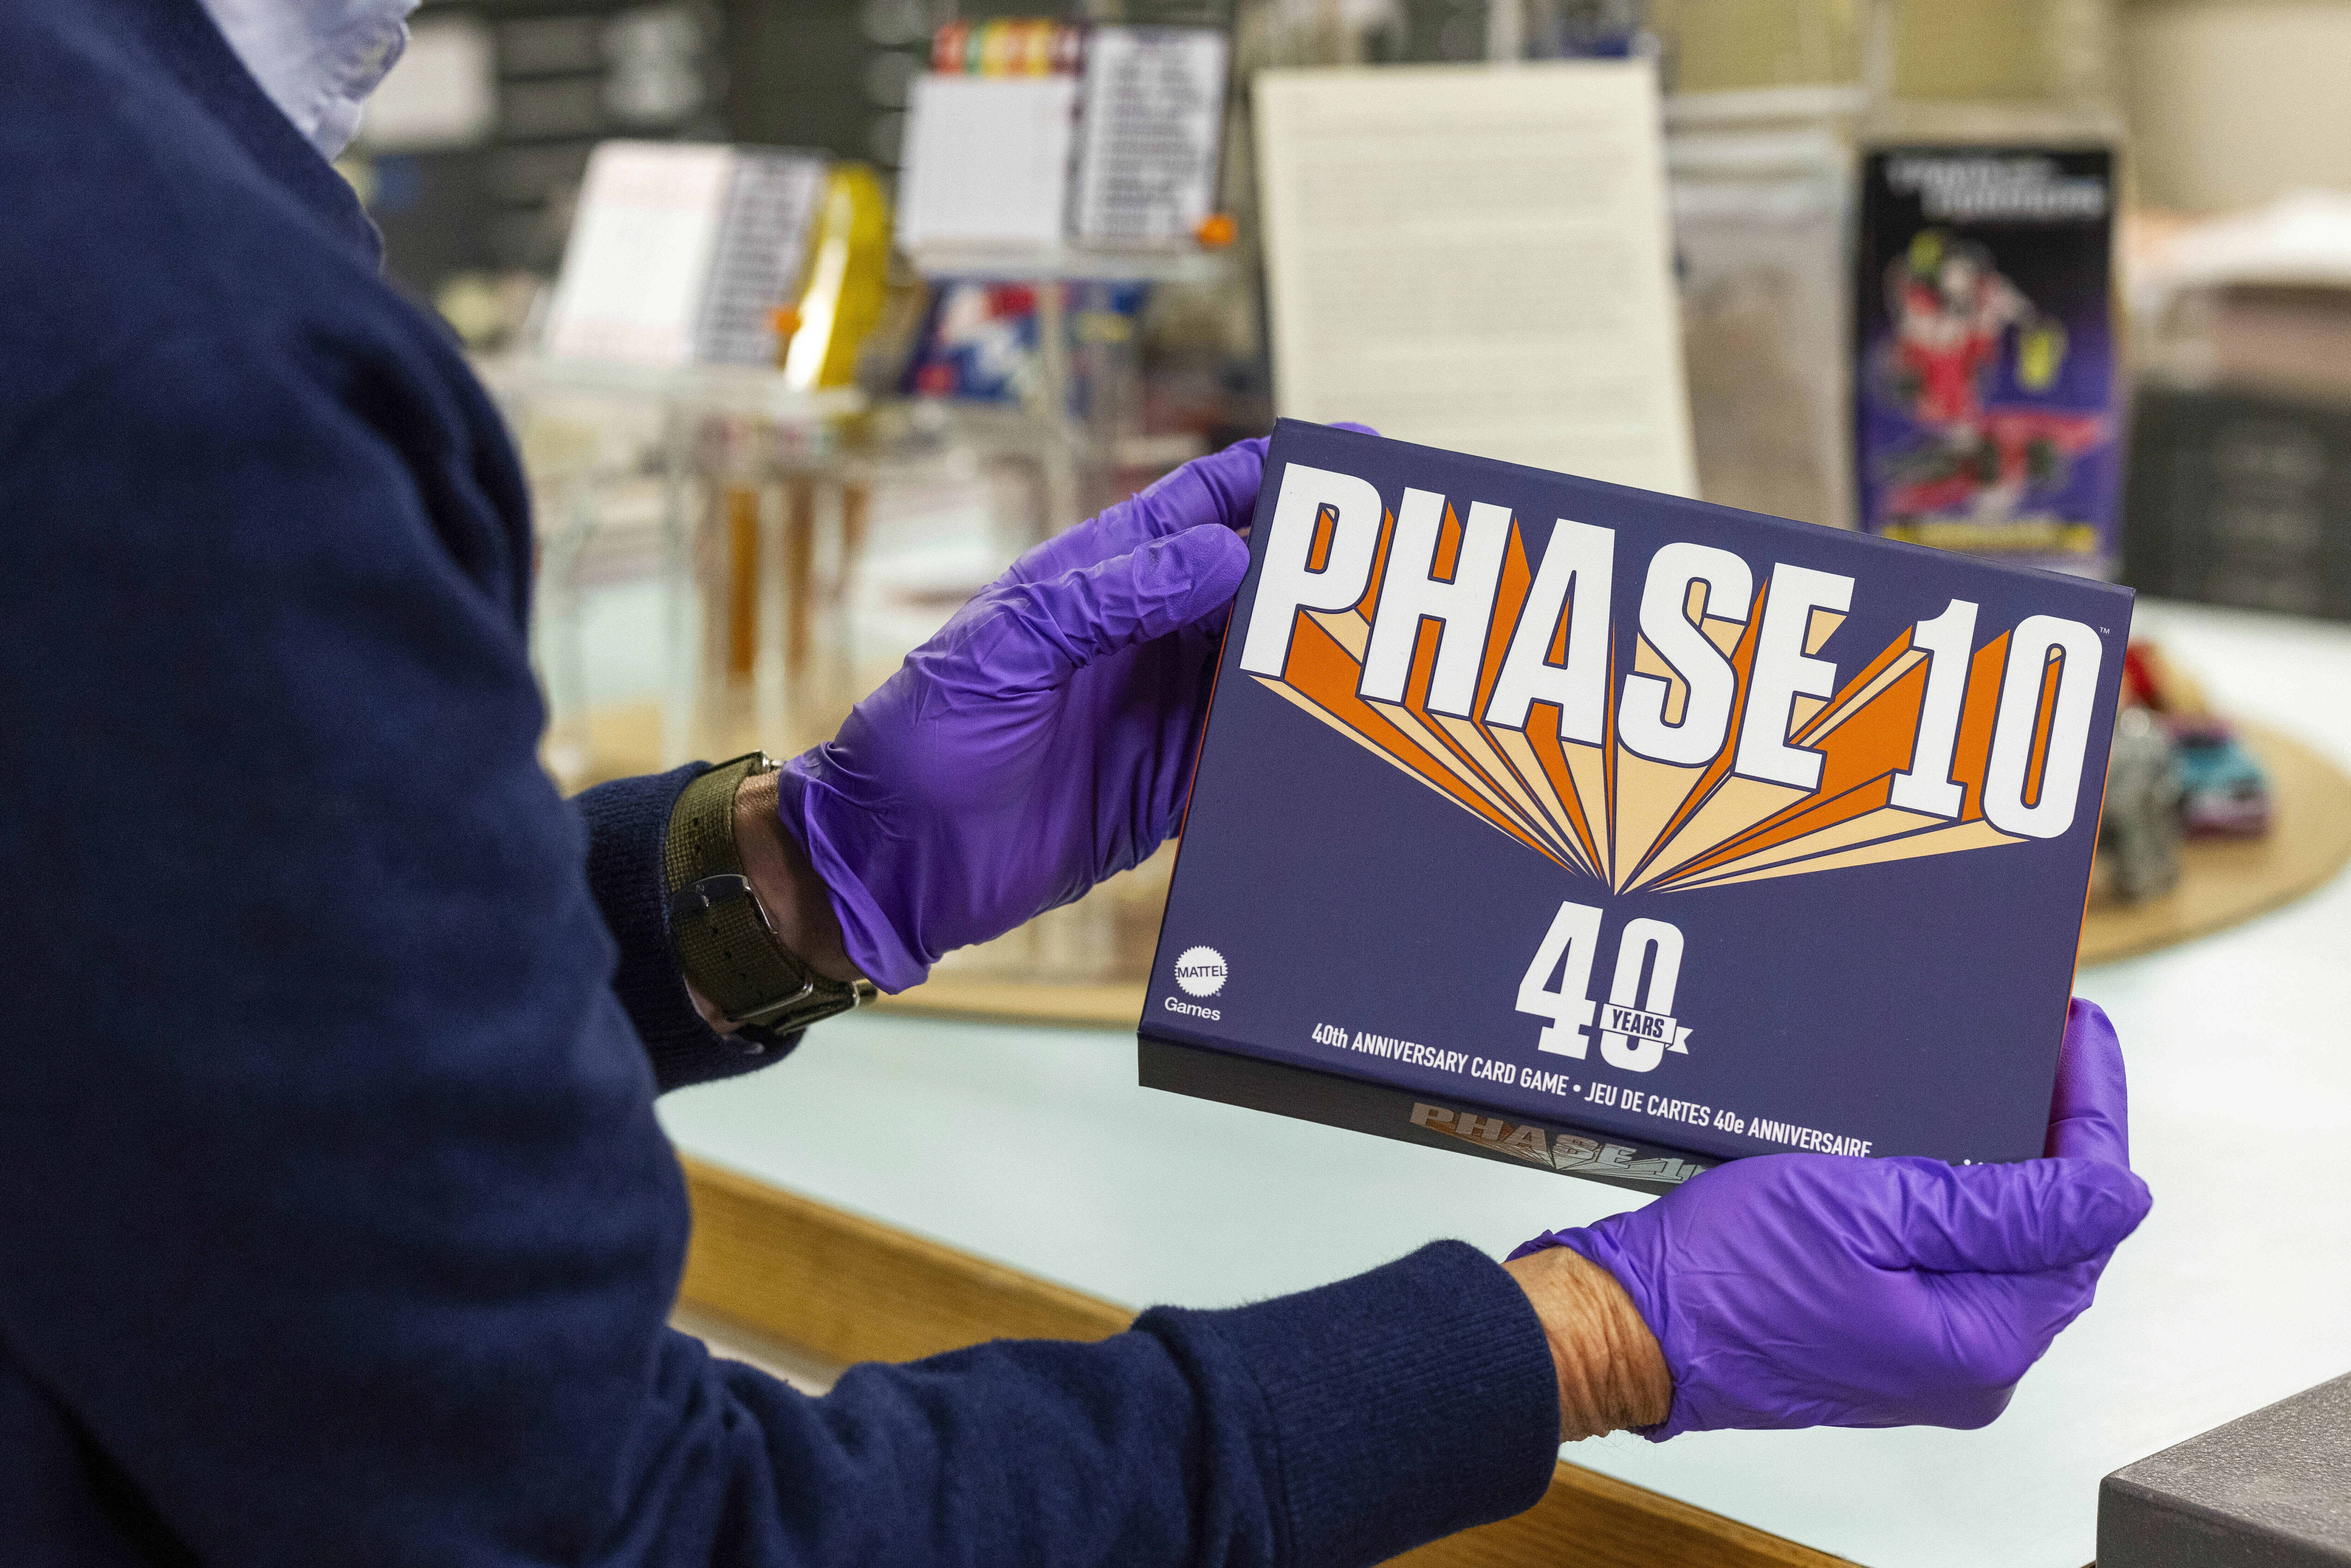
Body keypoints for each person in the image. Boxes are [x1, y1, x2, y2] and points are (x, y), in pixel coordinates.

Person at [0, 3, 2152, 1564]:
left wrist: (777, 881)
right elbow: (621, 1541)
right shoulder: (185, 361)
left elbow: (139, 1042)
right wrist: (1577, 1337)